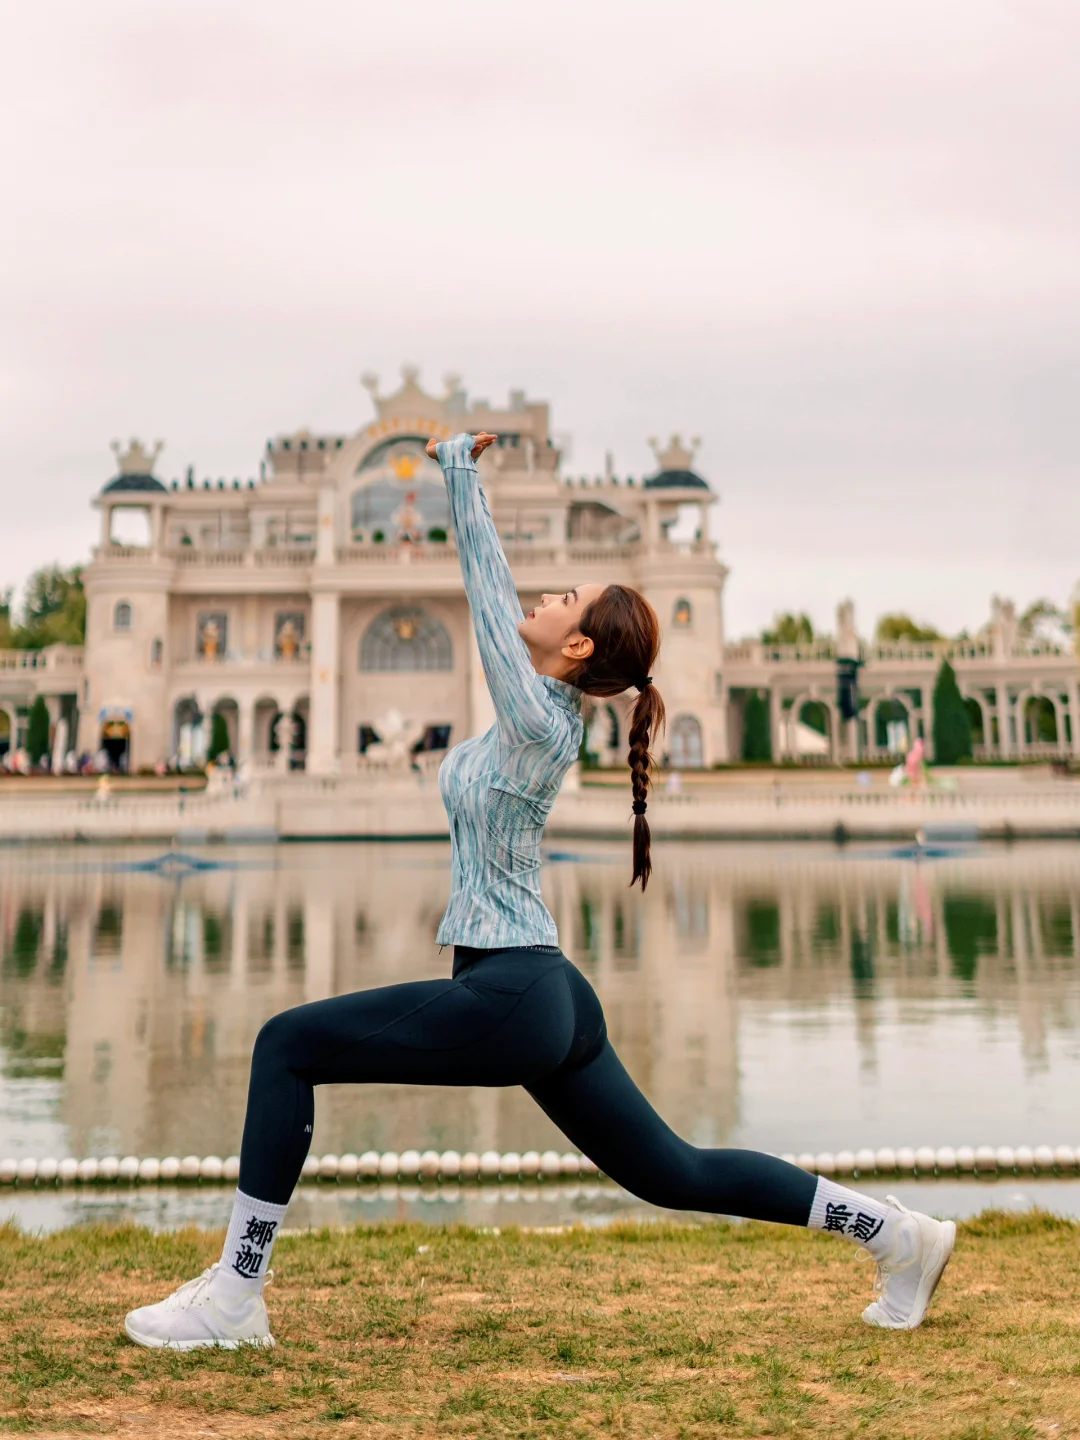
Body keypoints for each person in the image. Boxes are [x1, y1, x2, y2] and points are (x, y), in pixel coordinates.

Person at [124, 432, 954, 1351]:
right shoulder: (538, 720)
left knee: (285, 1045)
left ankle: (236, 1298)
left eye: (566, 600)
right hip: (545, 986)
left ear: (578, 644)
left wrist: (459, 477)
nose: (545, 599)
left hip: (513, 991)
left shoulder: (534, 716)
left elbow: (485, 601)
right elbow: (500, 614)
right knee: (676, 1170)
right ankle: (900, 1238)